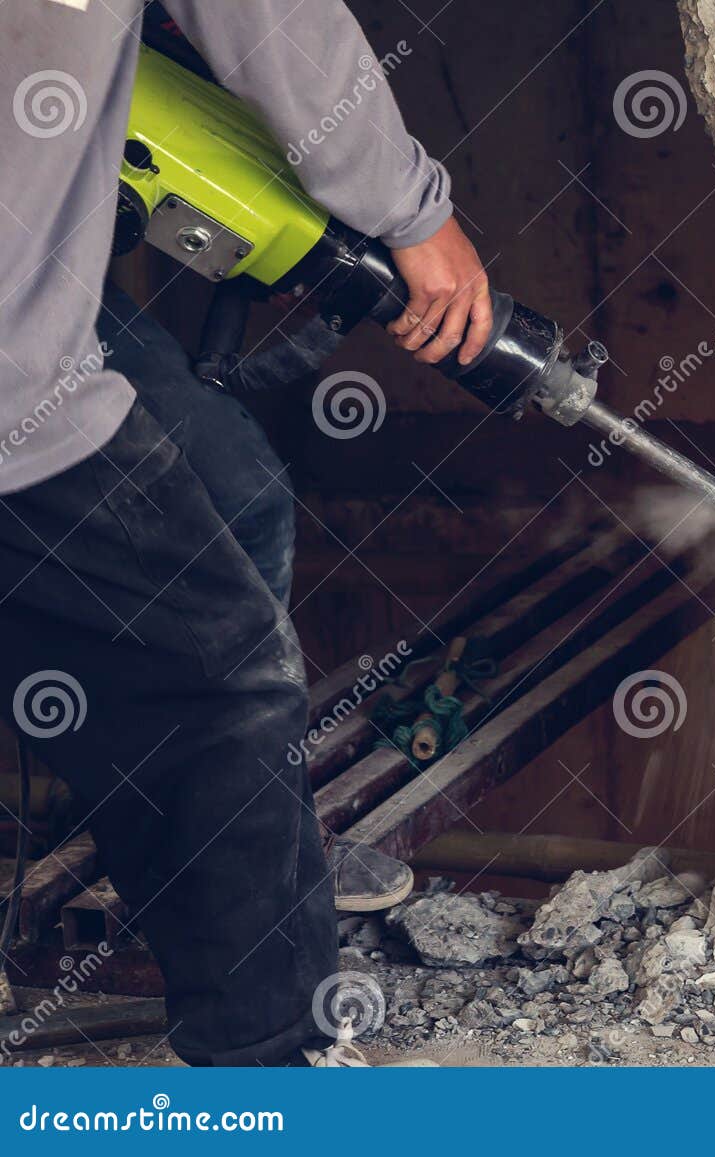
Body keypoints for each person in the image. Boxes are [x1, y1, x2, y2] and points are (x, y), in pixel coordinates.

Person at [0, 0, 492, 1066]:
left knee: (229, 491)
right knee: (220, 680)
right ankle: (271, 1063)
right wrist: (413, 215)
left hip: (34, 298)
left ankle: (216, 869)